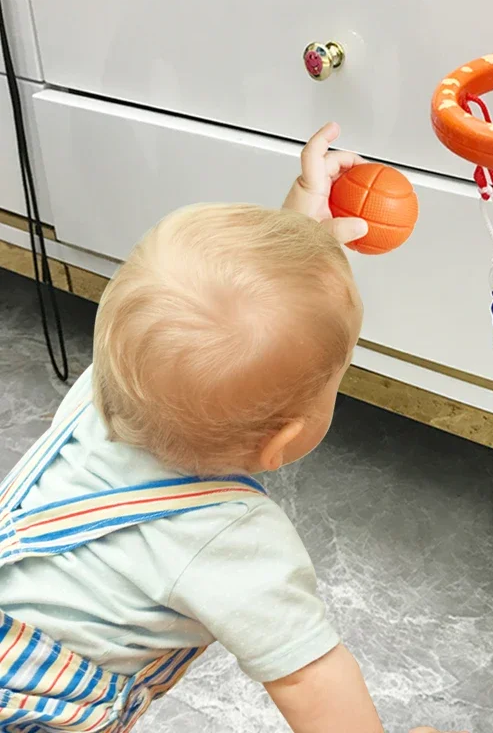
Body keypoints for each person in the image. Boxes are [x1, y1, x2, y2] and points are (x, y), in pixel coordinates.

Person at [0, 123, 468, 733]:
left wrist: (300, 230)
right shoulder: (227, 539)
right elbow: (309, 678)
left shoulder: (107, 388)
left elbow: (222, 324)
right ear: (280, 443)